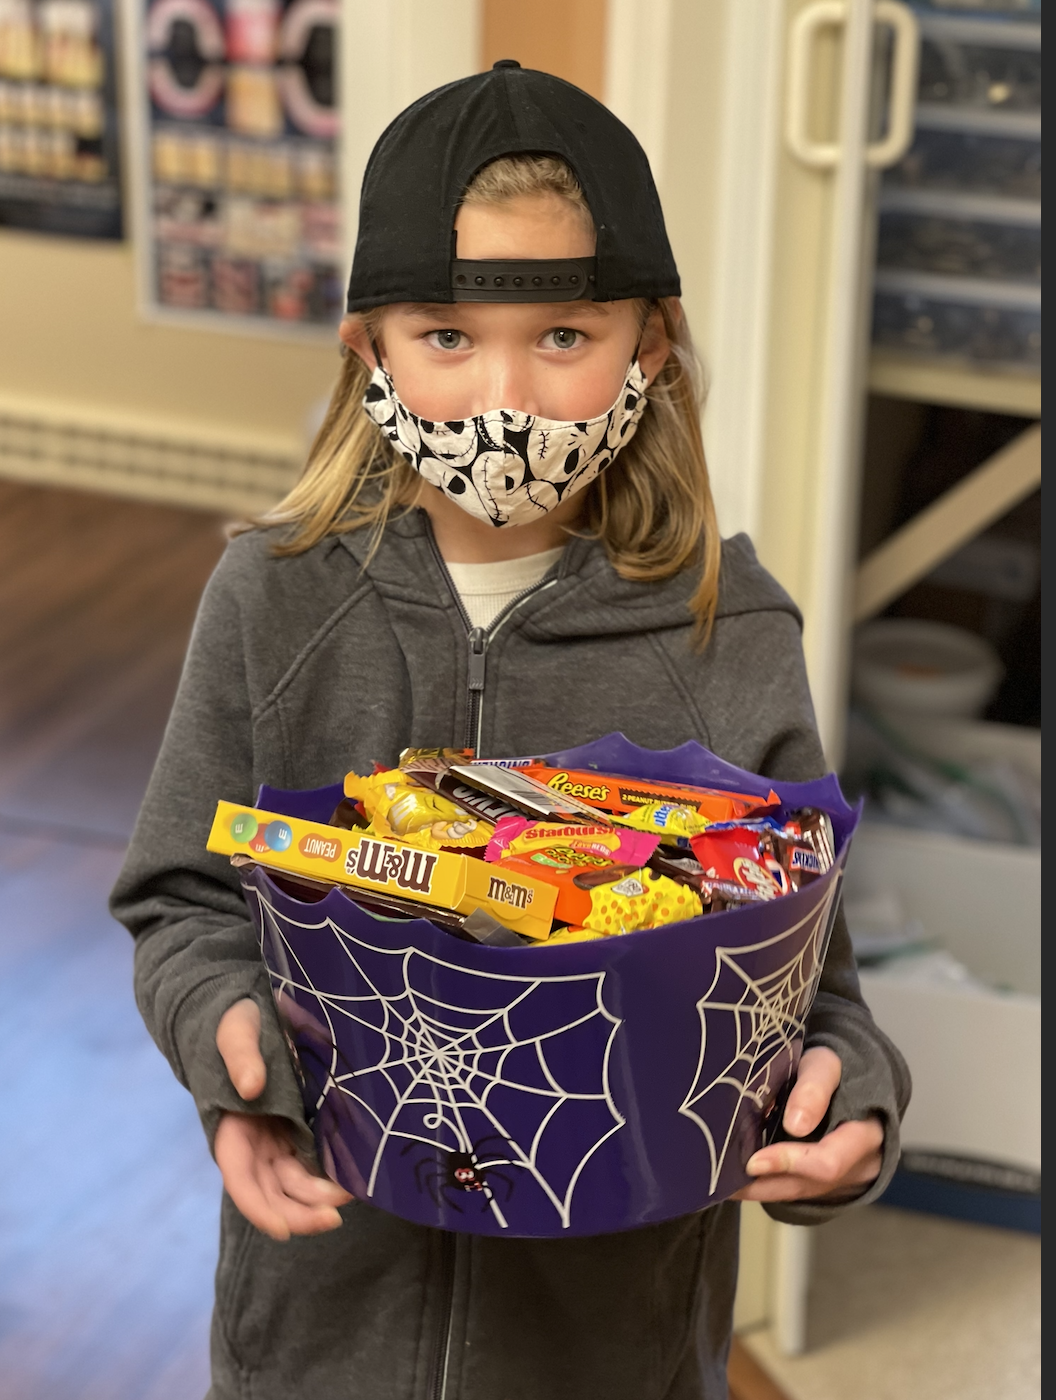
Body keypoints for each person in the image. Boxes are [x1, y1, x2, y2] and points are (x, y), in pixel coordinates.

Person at [111, 62, 909, 1400]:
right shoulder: (276, 596)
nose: (505, 398)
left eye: (562, 337)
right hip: (319, 1338)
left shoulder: (734, 630)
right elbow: (186, 899)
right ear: (366, 349)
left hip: (610, 1352)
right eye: (445, 338)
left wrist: (856, 1103)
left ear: (648, 346)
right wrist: (225, 1046)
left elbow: (810, 978)